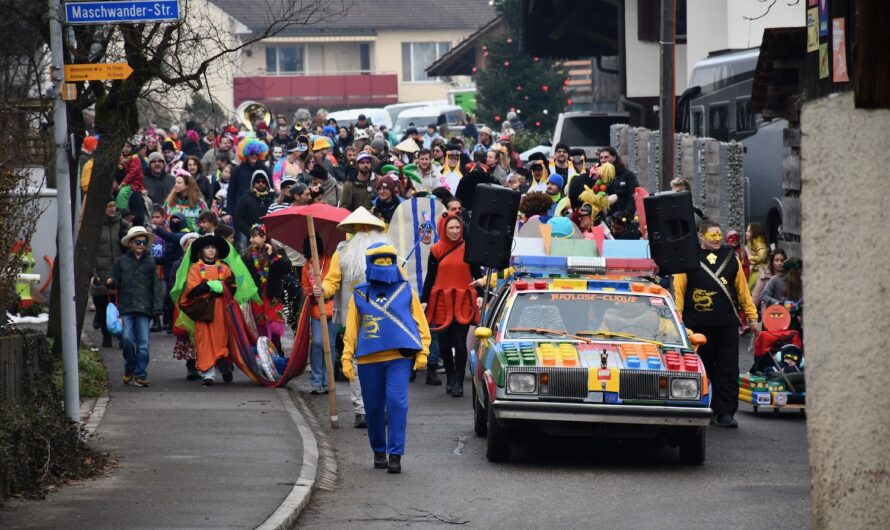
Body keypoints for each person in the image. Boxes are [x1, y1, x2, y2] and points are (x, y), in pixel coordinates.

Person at [340, 242, 431, 473]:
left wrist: (423, 351)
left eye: (387, 259)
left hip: (399, 359)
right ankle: (378, 450)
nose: (383, 264)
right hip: (369, 360)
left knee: (397, 403)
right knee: (373, 408)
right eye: (378, 260)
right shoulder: (359, 294)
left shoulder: (406, 291)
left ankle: (396, 454)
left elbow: (420, 323)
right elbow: (352, 328)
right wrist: (346, 357)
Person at [672, 220, 760, 428]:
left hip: (726, 325)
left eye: (719, 235)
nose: (717, 239)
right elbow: (679, 292)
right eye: (712, 235)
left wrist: (753, 318)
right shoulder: (689, 258)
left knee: (728, 369)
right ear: (701, 236)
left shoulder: (732, 257)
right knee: (702, 370)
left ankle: (726, 412)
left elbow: (743, 292)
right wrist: (678, 322)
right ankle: (704, 408)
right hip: (697, 327)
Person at [316, 207, 391, 428]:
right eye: (359, 228)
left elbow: (400, 281)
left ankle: (380, 407)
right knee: (356, 362)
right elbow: (332, 281)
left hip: (382, 315)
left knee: (382, 361)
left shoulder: (386, 252)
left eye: (366, 227)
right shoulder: (343, 251)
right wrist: (322, 289)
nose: (363, 232)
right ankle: (361, 409)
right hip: (353, 316)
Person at [421, 215, 481, 397]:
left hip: (463, 301)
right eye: (450, 228)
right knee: (445, 344)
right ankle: (450, 377)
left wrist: (479, 295)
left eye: (457, 228)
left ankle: (459, 381)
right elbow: (430, 278)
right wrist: (424, 300)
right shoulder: (436, 250)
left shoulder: (470, 249)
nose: (454, 231)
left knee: (460, 342)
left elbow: (477, 275)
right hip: (441, 302)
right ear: (443, 230)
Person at [106, 226, 163, 387]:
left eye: (144, 242)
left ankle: (140, 373)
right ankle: (129, 367)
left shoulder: (150, 262)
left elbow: (156, 286)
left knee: (144, 343)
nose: (141, 244)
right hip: (126, 306)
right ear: (130, 243)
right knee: (127, 340)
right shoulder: (121, 261)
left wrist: (157, 307)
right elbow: (114, 279)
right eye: (137, 241)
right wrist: (109, 281)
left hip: (144, 308)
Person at [176, 235, 237, 385]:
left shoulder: (224, 268)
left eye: (213, 248)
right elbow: (193, 290)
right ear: (202, 251)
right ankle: (208, 374)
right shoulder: (195, 268)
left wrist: (219, 288)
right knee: (204, 339)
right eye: (207, 248)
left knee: (221, 337)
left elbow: (232, 287)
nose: (211, 250)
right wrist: (210, 285)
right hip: (203, 310)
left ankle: (223, 361)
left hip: (220, 310)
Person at [302, 236, 335, 394]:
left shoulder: (330, 262)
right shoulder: (305, 267)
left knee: (331, 346)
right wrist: (311, 292)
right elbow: (305, 288)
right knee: (317, 343)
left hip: (332, 308)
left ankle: (328, 381)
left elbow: (335, 282)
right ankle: (316, 382)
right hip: (316, 310)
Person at [92, 200, 126, 348]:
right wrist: (93, 273)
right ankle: (106, 335)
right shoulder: (95, 226)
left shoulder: (122, 224)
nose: (112, 209)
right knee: (102, 307)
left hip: (119, 272)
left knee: (120, 305)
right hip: (101, 271)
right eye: (109, 206)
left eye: (113, 205)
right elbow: (91, 252)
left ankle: (121, 335)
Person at [170, 232, 201, 380]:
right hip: (185, 304)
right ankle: (191, 365)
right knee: (188, 335)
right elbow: (172, 285)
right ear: (184, 247)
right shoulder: (178, 264)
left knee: (201, 334)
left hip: (201, 304)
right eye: (189, 245)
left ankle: (201, 363)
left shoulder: (203, 264)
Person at [226, 137, 270, 224]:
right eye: (251, 153)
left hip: (260, 211)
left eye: (256, 154)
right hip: (241, 211)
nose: (254, 156)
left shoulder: (265, 170)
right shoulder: (237, 170)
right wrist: (229, 212)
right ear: (246, 154)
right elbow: (231, 192)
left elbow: (270, 190)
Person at [761, 257, 803, 332]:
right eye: (799, 271)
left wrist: (797, 307)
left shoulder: (799, 283)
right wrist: (778, 303)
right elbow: (764, 295)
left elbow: (800, 301)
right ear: (792, 271)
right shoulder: (775, 280)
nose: (801, 273)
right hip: (775, 318)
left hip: (791, 320)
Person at [234, 171, 275, 248]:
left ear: (267, 183)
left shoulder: (273, 198)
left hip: (270, 237)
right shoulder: (245, 199)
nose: (260, 183)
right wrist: (251, 233)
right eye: (258, 181)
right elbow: (238, 219)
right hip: (250, 238)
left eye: (263, 181)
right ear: (253, 183)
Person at [599, 147, 639, 217]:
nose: (603, 160)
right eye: (601, 158)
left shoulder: (628, 175)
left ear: (614, 158)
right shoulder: (598, 177)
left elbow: (633, 197)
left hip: (623, 219)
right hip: (606, 219)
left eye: (606, 157)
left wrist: (627, 214)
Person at [753, 248, 787, 312]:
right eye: (777, 260)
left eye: (782, 260)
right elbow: (756, 297)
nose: (779, 263)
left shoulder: (787, 276)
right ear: (772, 261)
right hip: (768, 313)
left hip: (785, 312)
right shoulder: (765, 276)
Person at [745, 222, 769, 291]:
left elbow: (762, 256)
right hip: (755, 270)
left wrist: (749, 258)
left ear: (755, 232)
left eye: (749, 231)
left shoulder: (760, 242)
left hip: (760, 272)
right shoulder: (751, 242)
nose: (746, 233)